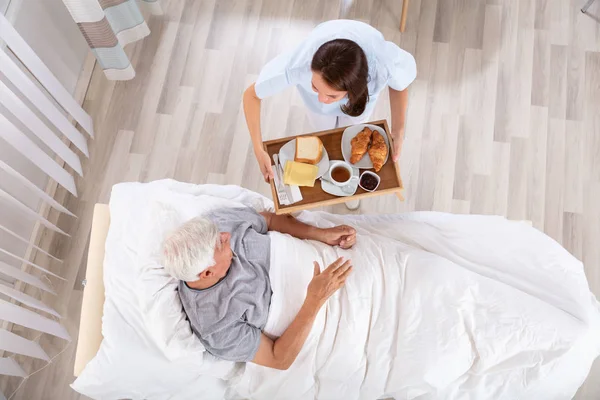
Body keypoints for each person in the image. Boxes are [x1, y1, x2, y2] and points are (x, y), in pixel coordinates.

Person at [161, 207, 356, 370]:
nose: (226, 235)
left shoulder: (213, 225)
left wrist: (321, 234)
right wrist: (315, 299)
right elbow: (277, 359)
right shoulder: (215, 326)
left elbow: (269, 219)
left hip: (328, 253)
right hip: (327, 308)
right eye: (222, 244)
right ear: (207, 273)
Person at [243, 19, 417, 183]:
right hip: (319, 102)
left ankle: (349, 179)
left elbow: (400, 84)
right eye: (315, 86)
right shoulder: (299, 64)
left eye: (332, 96)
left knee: (353, 131)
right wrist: (259, 150)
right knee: (323, 130)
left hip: (360, 98)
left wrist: (398, 130)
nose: (322, 99)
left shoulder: (383, 63)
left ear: (353, 89)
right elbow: (251, 95)